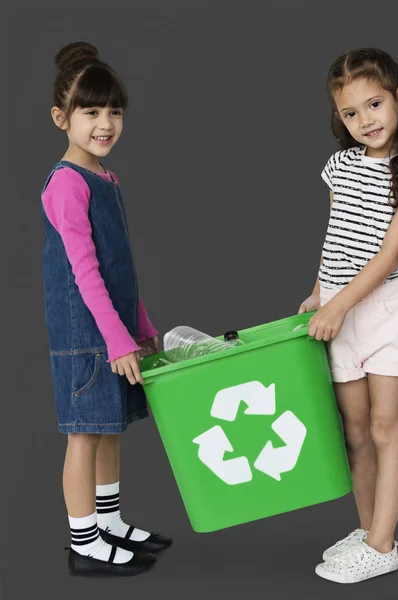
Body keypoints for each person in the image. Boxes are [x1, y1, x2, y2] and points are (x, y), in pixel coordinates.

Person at [298, 48, 398, 584]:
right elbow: (337, 238)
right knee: (354, 431)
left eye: (374, 104)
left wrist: (337, 303)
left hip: (385, 310)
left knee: (385, 428)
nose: (365, 121)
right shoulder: (341, 165)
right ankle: (369, 534)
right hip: (339, 305)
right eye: (351, 114)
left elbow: (384, 257)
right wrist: (318, 292)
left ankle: (383, 545)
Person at [41, 41, 172, 577]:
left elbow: (122, 268)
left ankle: (109, 522)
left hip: (113, 329)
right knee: (84, 432)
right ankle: (83, 541)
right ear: (61, 118)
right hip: (87, 334)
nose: (105, 123)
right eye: (90, 112)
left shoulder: (105, 179)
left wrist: (139, 327)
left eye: (114, 111)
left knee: (111, 426)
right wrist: (115, 339)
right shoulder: (67, 184)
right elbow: (84, 272)